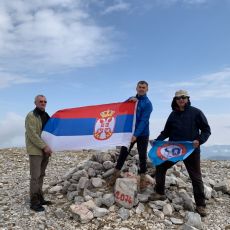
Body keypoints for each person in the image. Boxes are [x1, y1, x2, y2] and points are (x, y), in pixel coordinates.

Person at [150, 90, 211, 217]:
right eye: (178, 98)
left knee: (196, 177)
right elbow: (166, 131)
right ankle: (160, 192)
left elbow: (206, 130)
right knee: (161, 166)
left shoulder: (196, 112)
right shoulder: (173, 115)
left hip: (191, 150)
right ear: (175, 100)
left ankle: (201, 205)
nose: (181, 100)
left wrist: (199, 140)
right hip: (174, 150)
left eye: (183, 97)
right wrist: (157, 141)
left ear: (188, 98)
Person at [109, 81, 153, 190]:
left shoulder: (148, 104)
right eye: (140, 87)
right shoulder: (132, 99)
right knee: (124, 153)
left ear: (147, 89)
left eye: (144, 87)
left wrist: (136, 134)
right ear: (136, 88)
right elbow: (121, 109)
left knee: (142, 156)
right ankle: (115, 175)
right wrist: (128, 101)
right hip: (129, 132)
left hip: (142, 134)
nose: (141, 89)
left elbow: (144, 120)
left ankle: (142, 178)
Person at [25, 95, 53, 212]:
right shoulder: (31, 116)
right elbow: (32, 135)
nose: (43, 103)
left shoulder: (46, 115)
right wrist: (44, 146)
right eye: (40, 101)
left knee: (41, 175)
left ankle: (40, 197)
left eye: (45, 101)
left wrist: (51, 146)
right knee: (35, 177)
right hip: (36, 151)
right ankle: (34, 202)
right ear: (35, 103)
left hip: (45, 151)